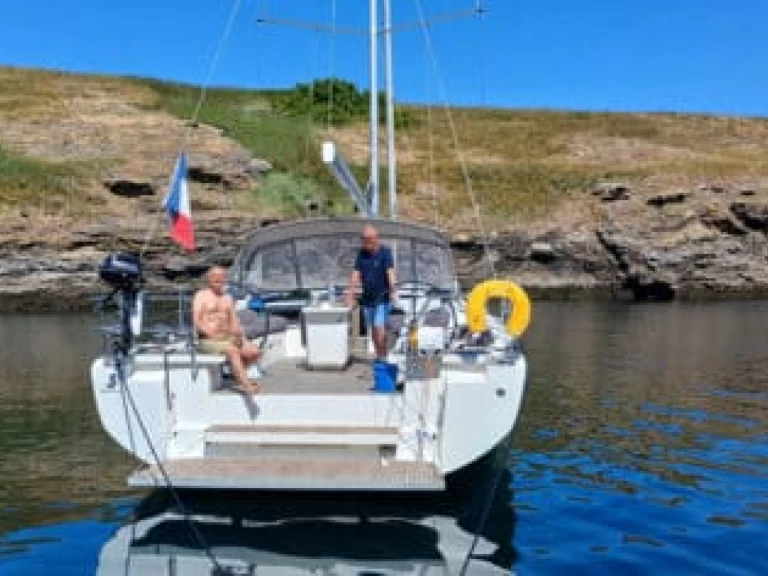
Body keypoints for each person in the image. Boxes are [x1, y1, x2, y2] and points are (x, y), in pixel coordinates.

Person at [193, 266, 261, 394]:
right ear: (209, 279)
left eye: (222, 277)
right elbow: (197, 322)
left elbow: (234, 321)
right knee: (233, 351)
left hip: (228, 337)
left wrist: (242, 339)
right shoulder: (201, 296)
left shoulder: (228, 298)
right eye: (215, 277)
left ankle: (238, 375)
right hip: (208, 339)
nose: (218, 279)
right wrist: (212, 335)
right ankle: (247, 386)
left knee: (255, 352)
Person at [346, 224, 397, 361]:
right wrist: (350, 294)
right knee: (373, 330)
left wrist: (393, 289)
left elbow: (390, 272)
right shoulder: (361, 253)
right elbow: (356, 274)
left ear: (376, 238)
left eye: (368, 238)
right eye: (363, 238)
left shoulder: (385, 252)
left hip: (383, 297)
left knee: (379, 326)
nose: (365, 241)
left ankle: (383, 355)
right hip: (368, 298)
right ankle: (379, 355)